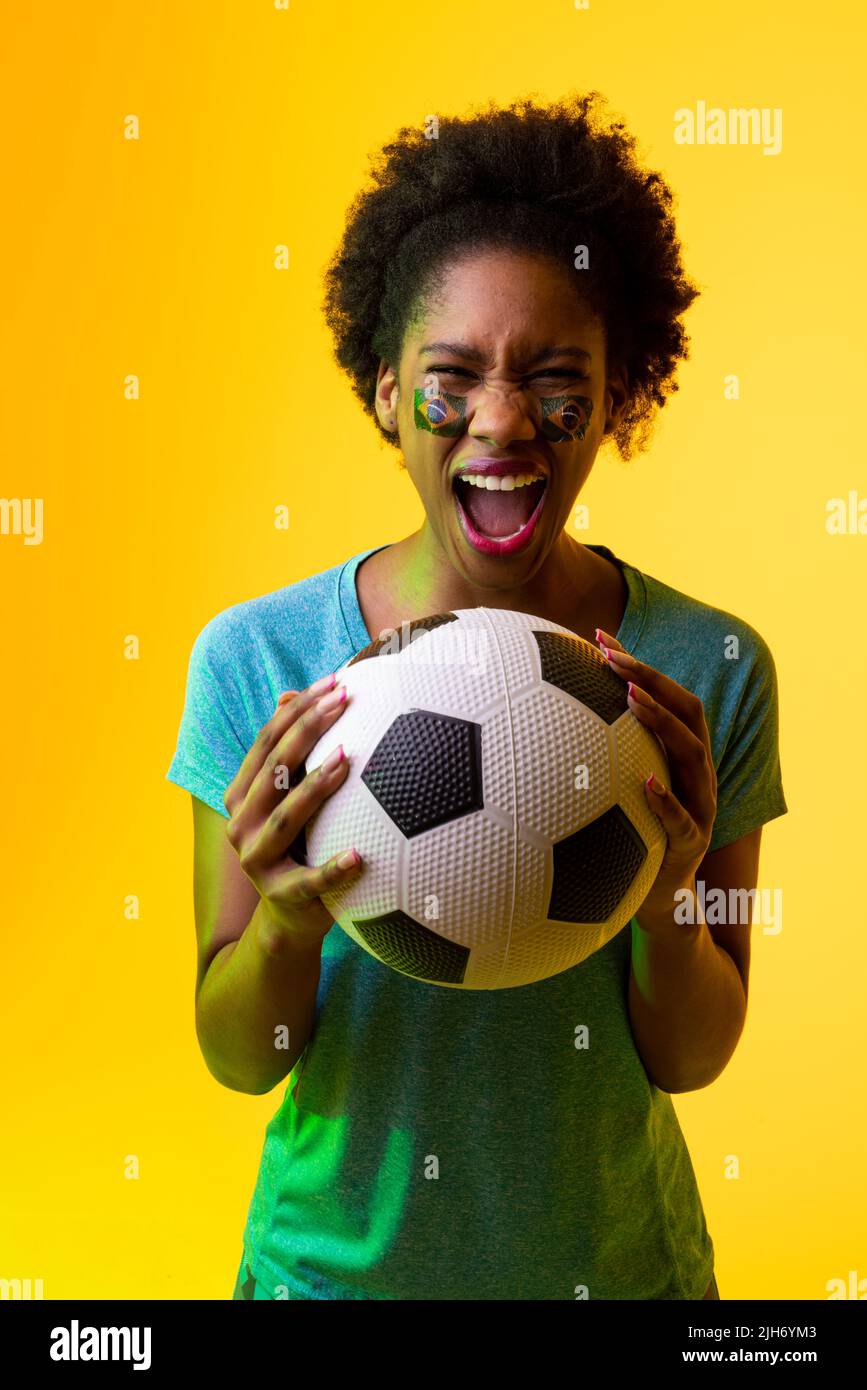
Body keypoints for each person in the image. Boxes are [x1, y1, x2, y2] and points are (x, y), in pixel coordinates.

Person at [166, 92, 787, 1300]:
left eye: (557, 381)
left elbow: (694, 1055)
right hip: (329, 1281)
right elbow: (242, 1062)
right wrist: (290, 926)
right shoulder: (259, 661)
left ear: (617, 399)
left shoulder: (705, 667)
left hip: (619, 1278)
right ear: (388, 393)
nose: (502, 422)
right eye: (452, 377)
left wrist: (669, 892)